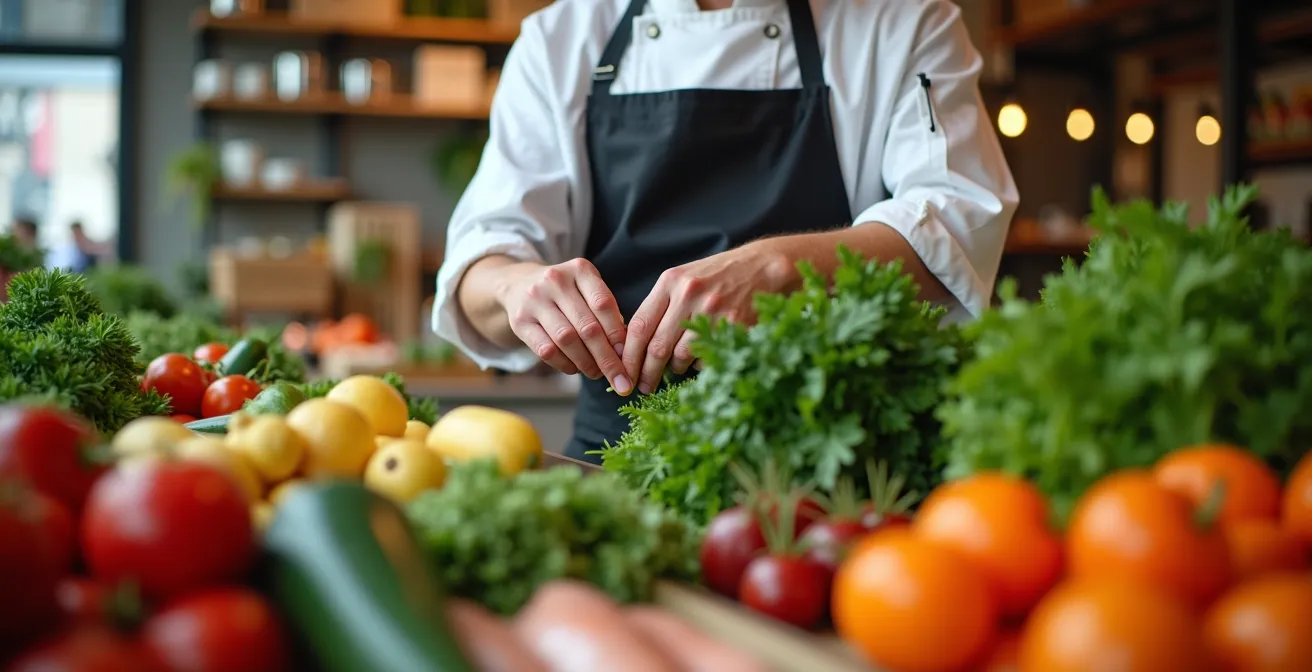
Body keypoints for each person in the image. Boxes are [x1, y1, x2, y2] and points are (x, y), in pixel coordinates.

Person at [433, 0, 1019, 462]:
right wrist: (515, 288)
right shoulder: (560, 39)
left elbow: (958, 218)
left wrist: (778, 269)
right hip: (618, 458)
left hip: (835, 458)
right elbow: (479, 268)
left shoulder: (906, 22)